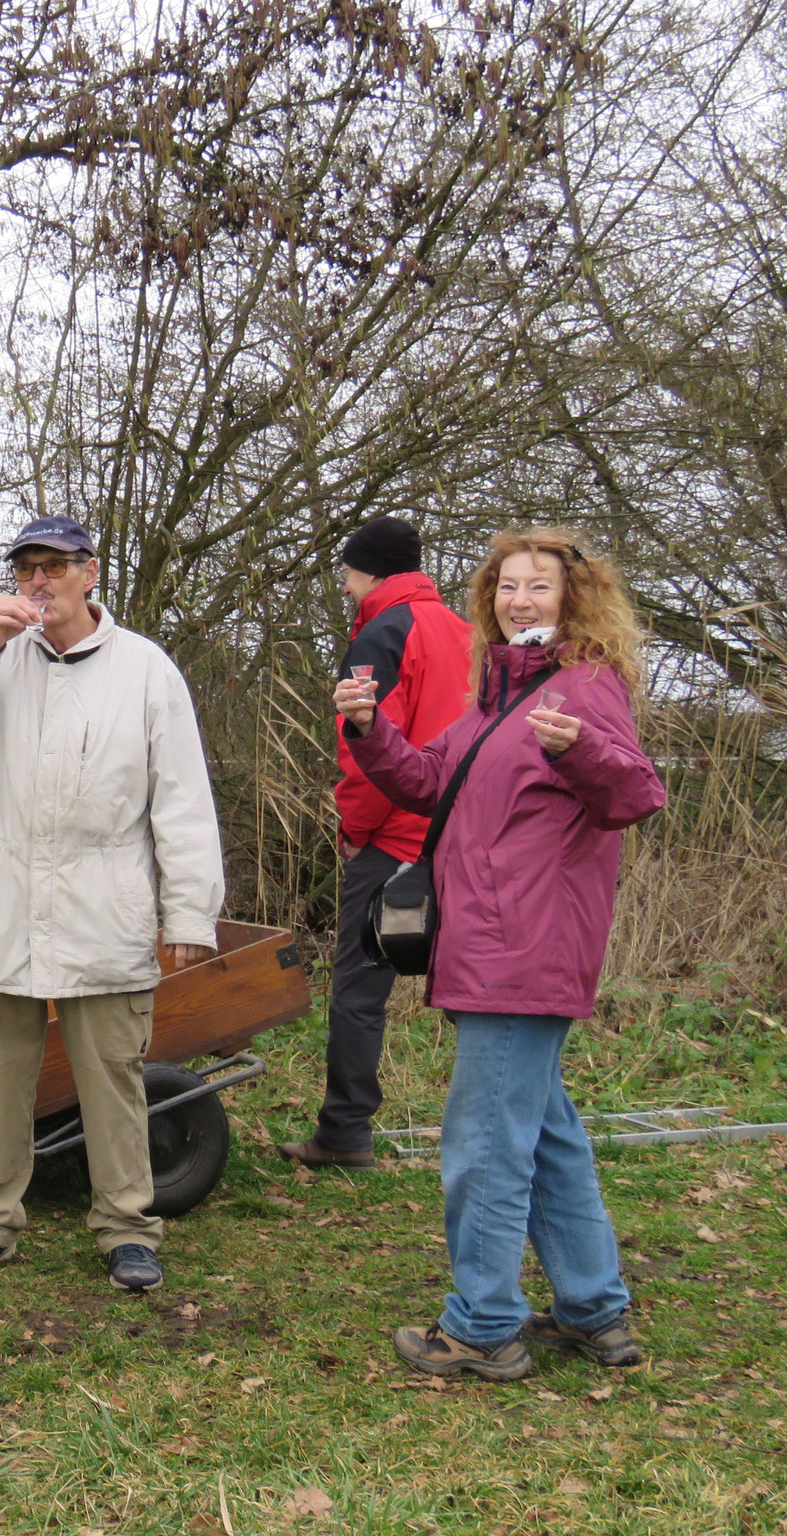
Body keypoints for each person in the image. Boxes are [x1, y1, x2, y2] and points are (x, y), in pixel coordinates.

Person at [336, 528, 664, 1381]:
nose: (521, 600)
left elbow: (635, 791)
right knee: (545, 1134)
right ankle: (596, 1310)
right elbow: (423, 781)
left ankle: (482, 1324)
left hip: (526, 951)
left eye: (539, 588)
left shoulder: (586, 689)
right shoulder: (496, 697)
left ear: (574, 599)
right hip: (488, 946)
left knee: (484, 1141)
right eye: (507, 587)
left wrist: (579, 749)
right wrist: (368, 729)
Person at [0, 516, 225, 1292]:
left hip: (102, 907)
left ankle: (126, 1227)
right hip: (0, 904)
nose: (38, 583)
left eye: (53, 567)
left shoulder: (145, 670)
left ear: (90, 573)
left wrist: (188, 915)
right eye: (25, 570)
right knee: (0, 1074)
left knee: (112, 1076)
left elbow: (182, 801)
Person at [281, 517, 473, 1170]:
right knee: (473, 989)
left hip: (395, 841)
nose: (343, 585)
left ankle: (343, 1133)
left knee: (361, 989)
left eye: (347, 572)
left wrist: (356, 833)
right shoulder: (468, 633)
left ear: (370, 572)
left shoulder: (381, 634)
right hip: (464, 842)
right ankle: (508, 1123)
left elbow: (363, 746)